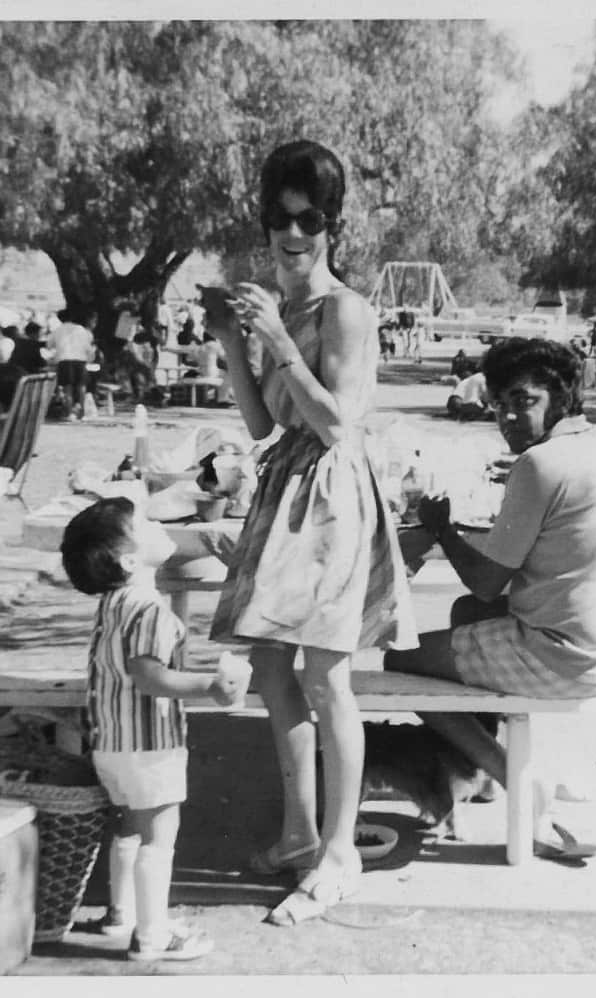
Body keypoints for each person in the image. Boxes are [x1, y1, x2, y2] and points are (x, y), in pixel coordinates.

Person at [205, 140, 418, 926]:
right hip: (282, 488)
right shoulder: (281, 309)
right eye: (279, 217)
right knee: (270, 665)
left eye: (310, 219)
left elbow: (337, 425)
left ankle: (339, 850)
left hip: (331, 496)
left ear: (333, 225)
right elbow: (264, 426)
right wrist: (233, 340)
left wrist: (280, 344)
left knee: (327, 677)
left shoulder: (343, 310)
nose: (292, 234)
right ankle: (299, 832)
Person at [386, 337, 596, 858]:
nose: (507, 416)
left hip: (567, 655)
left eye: (523, 401)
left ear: (561, 397)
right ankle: (481, 770)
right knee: (467, 615)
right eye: (499, 404)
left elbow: (487, 581)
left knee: (400, 660)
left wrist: (441, 530)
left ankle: (514, 779)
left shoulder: (539, 464)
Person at [59, 497, 243, 960]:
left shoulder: (113, 604)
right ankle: (152, 936)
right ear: (128, 560)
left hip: (111, 744)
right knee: (159, 837)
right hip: (149, 745)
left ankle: (121, 915)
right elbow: (150, 676)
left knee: (130, 826)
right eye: (143, 522)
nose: (157, 522)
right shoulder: (150, 610)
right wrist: (210, 686)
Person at [49, 308, 96, 417]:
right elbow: (88, 347)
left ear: (60, 319)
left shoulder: (57, 330)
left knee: (67, 388)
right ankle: (82, 412)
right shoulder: (81, 329)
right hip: (80, 361)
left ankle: (69, 413)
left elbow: (49, 345)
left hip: (64, 360)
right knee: (81, 386)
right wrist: (90, 358)